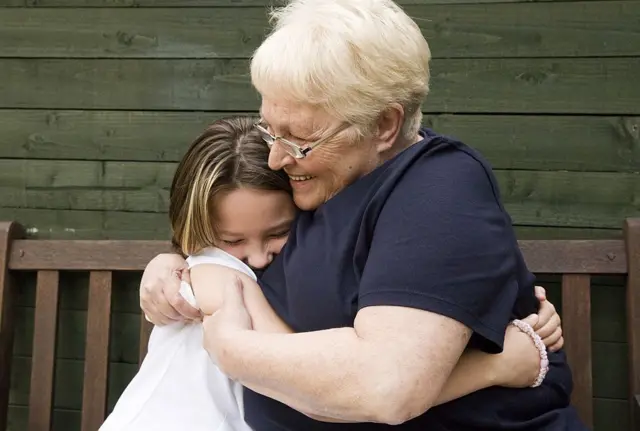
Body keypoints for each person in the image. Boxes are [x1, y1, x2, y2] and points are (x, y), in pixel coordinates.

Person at [140, 0, 587, 429]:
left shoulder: (437, 190)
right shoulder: (320, 183)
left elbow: (386, 387)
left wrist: (231, 348)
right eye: (270, 129)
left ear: (384, 126)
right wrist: (178, 261)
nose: (277, 157)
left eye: (298, 138)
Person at [104, 117, 562, 431]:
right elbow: (316, 386)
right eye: (233, 241)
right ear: (197, 231)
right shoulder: (215, 274)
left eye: (278, 232)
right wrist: (499, 365)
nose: (258, 257)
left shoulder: (308, 259)